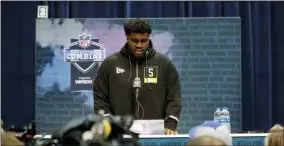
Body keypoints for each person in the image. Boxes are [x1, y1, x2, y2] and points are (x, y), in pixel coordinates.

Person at [93, 19, 182, 135]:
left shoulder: (163, 63)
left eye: (143, 41)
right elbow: (100, 99)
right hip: (120, 134)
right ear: (127, 38)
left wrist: (171, 123)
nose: (139, 45)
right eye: (134, 41)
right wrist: (108, 124)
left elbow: (174, 97)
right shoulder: (110, 64)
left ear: (148, 38)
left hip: (156, 133)